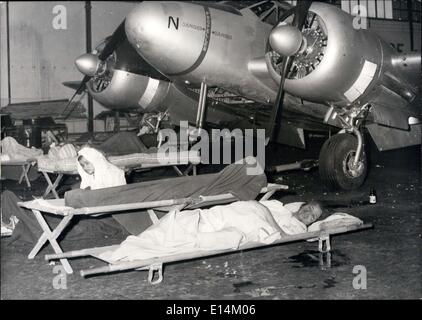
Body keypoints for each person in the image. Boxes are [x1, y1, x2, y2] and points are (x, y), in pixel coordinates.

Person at [100, 199, 325, 262]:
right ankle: (150, 240)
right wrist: (257, 208)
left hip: (248, 222)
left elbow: (275, 233)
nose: (308, 214)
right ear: (302, 205)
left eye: (313, 216)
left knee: (216, 230)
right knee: (190, 218)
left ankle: (153, 245)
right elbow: (252, 207)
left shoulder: (296, 227)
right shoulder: (280, 206)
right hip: (235, 213)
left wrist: (263, 217)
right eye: (309, 209)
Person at [1, 146, 127, 243]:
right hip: (90, 213)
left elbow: (112, 203)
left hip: (107, 220)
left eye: (87, 164)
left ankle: (20, 222)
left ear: (96, 160)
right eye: (83, 166)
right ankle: (19, 216)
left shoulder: (114, 174)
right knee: (54, 215)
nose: (85, 168)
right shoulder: (93, 176)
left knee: (65, 227)